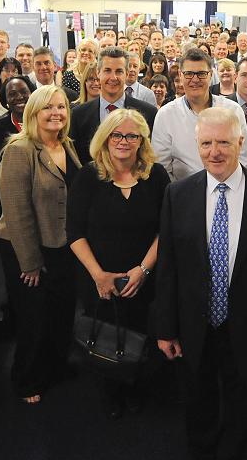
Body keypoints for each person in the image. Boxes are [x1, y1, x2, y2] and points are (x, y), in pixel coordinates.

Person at [154, 107, 247, 460]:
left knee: (241, 398)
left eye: (223, 143)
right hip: (193, 325)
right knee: (197, 397)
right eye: (206, 144)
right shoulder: (177, 195)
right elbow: (168, 268)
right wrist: (165, 328)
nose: (214, 152)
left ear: (240, 142)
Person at [67, 109, 170, 419]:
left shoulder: (156, 176)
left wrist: (144, 270)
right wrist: (98, 275)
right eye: (117, 135)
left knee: (141, 334)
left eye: (131, 136)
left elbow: (165, 230)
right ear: (105, 138)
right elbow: (74, 233)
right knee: (104, 336)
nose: (124, 141)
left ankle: (135, 387)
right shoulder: (88, 176)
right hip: (98, 279)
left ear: (142, 141)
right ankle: (110, 392)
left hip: (143, 277)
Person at [0, 85, 81, 403]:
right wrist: (30, 262)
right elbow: (16, 211)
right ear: (33, 112)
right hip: (26, 246)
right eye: (48, 107)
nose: (56, 113)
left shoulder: (66, 144)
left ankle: (56, 366)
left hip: (62, 243)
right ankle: (27, 379)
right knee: (34, 317)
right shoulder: (19, 150)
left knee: (61, 312)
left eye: (61, 106)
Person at [152, 48, 247, 181]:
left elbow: (243, 160)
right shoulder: (165, 115)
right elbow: (162, 169)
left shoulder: (233, 110)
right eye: (189, 74)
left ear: (211, 75)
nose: (195, 79)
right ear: (180, 75)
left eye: (201, 74)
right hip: (182, 191)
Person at [70, 47, 158, 165]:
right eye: (107, 70)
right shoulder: (78, 115)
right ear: (98, 72)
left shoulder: (148, 113)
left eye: (119, 71)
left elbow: (149, 156)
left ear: (127, 73)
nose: (113, 77)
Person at [0, 75, 34, 218]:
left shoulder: (43, 124)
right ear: (5, 101)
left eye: (24, 92)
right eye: (12, 94)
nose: (19, 97)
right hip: (9, 203)